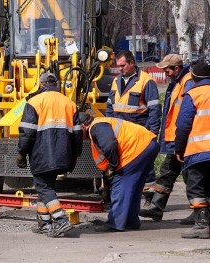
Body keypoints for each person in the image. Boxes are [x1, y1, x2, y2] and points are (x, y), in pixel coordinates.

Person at [16, 72, 83, 237]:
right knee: (46, 188)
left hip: (41, 154)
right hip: (63, 154)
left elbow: (27, 132)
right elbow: (77, 134)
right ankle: (44, 224)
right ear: (56, 85)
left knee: (43, 187)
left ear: (41, 84)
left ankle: (61, 220)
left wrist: (21, 153)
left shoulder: (34, 102)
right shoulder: (69, 103)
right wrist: (75, 155)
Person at [139, 54, 194, 223]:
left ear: (176, 68)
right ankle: (157, 208)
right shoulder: (177, 82)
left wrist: (182, 138)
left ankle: (201, 213)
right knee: (167, 173)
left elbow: (188, 112)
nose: (165, 73)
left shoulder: (188, 82)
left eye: (167, 69)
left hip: (185, 139)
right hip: (176, 138)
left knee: (190, 176)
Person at [82, 116, 159, 232]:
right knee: (133, 188)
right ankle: (131, 221)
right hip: (147, 144)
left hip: (136, 148)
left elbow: (109, 145)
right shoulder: (100, 126)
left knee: (121, 186)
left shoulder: (96, 126)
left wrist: (113, 167)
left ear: (84, 126)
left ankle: (115, 222)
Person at [106, 50, 162, 206]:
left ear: (132, 63)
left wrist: (153, 132)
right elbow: (110, 107)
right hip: (121, 133)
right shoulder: (116, 81)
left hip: (139, 131)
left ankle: (149, 198)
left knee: (145, 166)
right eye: (118, 66)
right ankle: (126, 198)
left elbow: (154, 109)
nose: (120, 69)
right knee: (122, 164)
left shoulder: (146, 81)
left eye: (123, 65)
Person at [175, 62, 210, 239]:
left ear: (195, 77)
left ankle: (202, 224)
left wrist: (179, 149)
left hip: (200, 151)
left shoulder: (194, 94)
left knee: (196, 188)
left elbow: (182, 125)